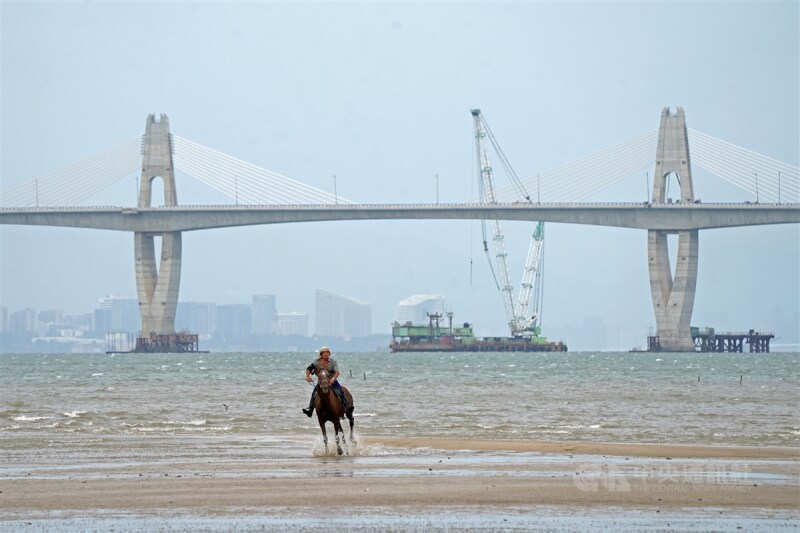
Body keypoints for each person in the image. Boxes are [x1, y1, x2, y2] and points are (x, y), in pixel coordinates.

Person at [302, 346, 351, 417]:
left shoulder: (333, 362)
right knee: (314, 393)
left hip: (332, 380)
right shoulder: (316, 362)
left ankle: (348, 407)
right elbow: (309, 369)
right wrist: (308, 376)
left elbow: (337, 372)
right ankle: (310, 410)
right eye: (324, 353)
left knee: (341, 391)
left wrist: (333, 378)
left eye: (327, 353)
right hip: (321, 382)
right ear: (321, 354)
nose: (326, 354)